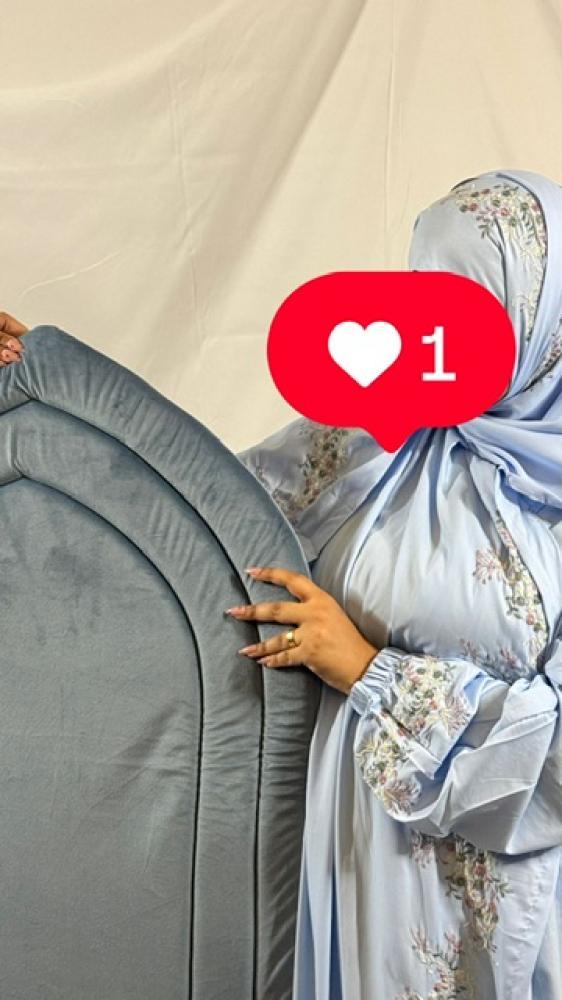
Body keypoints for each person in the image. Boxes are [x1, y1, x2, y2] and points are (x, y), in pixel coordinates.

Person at [235, 169, 562, 999]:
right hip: (351, 865)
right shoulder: (373, 431)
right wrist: (55, 376)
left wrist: (370, 672)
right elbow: (204, 507)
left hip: (502, 903)